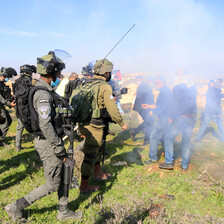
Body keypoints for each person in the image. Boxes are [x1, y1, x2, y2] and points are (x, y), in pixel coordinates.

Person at [5, 51, 82, 222]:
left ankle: (64, 210)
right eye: (59, 72)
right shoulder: (42, 94)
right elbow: (45, 124)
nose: (60, 75)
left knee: (63, 176)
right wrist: (58, 147)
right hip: (48, 143)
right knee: (53, 184)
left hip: (51, 140)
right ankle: (16, 207)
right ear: (52, 72)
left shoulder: (46, 90)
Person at [78, 59, 127, 194]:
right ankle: (84, 186)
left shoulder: (85, 83)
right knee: (90, 155)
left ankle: (98, 173)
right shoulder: (104, 86)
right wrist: (122, 123)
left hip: (85, 123)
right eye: (109, 72)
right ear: (106, 73)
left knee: (98, 150)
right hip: (95, 125)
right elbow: (112, 108)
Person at [160, 77, 197, 171]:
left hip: (182, 118)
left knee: (168, 137)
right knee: (186, 142)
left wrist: (171, 117)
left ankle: (168, 162)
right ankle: (184, 166)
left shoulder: (177, 92)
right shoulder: (190, 93)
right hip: (192, 117)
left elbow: (174, 106)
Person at [144, 76, 172, 164]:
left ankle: (153, 158)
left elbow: (163, 107)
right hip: (166, 117)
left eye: (157, 82)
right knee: (165, 136)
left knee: (154, 136)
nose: (155, 84)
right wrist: (149, 107)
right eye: (155, 83)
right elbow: (160, 105)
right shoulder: (165, 91)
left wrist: (154, 111)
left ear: (162, 82)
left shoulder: (164, 92)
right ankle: (166, 154)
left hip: (164, 118)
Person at [14, 64, 37, 151]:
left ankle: (17, 147)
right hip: (28, 108)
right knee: (34, 126)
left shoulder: (17, 81)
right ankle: (37, 147)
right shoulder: (30, 81)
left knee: (19, 127)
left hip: (19, 108)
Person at [130, 75, 154, 145]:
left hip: (141, 107)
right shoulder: (146, 87)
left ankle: (134, 131)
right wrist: (150, 110)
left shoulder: (143, 85)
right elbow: (148, 99)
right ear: (149, 81)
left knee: (148, 122)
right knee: (149, 123)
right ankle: (146, 140)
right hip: (143, 107)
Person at [0, 67, 17, 146]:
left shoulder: (2, 84)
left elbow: (5, 94)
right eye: (7, 77)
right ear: (2, 75)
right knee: (5, 123)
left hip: (2, 105)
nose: (8, 79)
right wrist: (9, 104)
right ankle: (0, 141)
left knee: (9, 120)